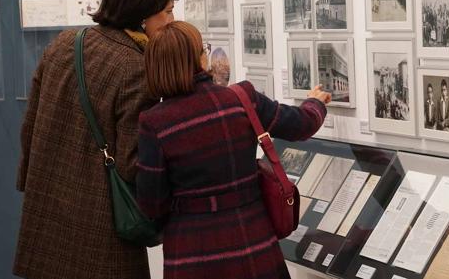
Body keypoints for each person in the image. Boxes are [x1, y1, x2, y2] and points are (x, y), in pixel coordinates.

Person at [14, 0, 186, 279]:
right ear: (142, 16)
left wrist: (32, 183)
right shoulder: (137, 68)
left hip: (46, 221)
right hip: (100, 237)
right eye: (167, 11)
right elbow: (132, 164)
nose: (171, 21)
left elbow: (30, 126)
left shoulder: (66, 42)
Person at [137, 21, 331, 279]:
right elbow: (301, 125)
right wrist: (315, 103)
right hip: (253, 242)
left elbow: (152, 203)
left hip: (191, 254)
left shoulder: (154, 122)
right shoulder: (241, 98)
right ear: (200, 58)